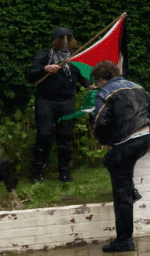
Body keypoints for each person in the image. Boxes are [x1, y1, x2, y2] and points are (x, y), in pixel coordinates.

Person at [91, 60, 150, 253]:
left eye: (98, 81)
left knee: (121, 193)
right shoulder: (138, 87)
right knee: (112, 162)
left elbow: (100, 122)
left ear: (101, 79)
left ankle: (124, 241)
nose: (98, 85)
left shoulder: (104, 93)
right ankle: (131, 190)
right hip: (143, 139)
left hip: (126, 142)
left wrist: (105, 141)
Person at [26, 27, 93, 183]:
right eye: (61, 38)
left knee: (64, 137)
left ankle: (64, 172)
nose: (64, 42)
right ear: (55, 41)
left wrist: (89, 85)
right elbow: (30, 75)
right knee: (44, 135)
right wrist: (45, 69)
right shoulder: (44, 55)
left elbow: (82, 75)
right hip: (45, 101)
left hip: (66, 101)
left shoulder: (75, 57)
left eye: (68, 39)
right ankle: (38, 172)